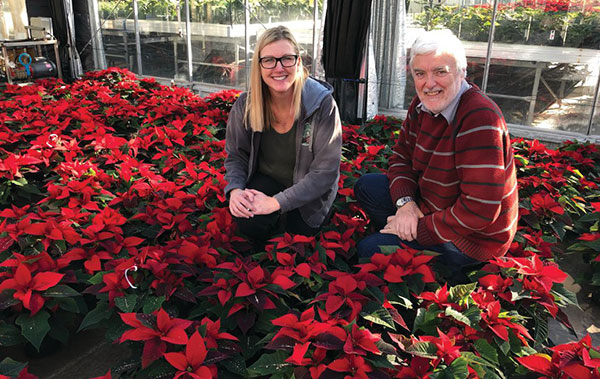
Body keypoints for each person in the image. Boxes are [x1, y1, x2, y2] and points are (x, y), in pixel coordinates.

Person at [354, 29, 518, 277]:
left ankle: (444, 265)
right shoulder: (422, 105)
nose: (429, 83)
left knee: (368, 251)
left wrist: (418, 229)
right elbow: (401, 159)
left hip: (470, 240)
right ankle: (400, 233)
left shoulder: (479, 118)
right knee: (366, 186)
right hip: (431, 206)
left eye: (440, 71)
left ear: (461, 73)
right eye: (420, 73)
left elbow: (479, 210)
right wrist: (406, 205)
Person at [224, 25, 342, 244]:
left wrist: (276, 203)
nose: (278, 68)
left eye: (287, 59)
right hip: (267, 181)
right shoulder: (246, 105)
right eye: (269, 60)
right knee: (249, 223)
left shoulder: (321, 105)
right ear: (259, 66)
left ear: (298, 62)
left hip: (308, 192)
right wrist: (236, 190)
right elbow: (236, 155)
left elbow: (325, 173)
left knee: (299, 237)